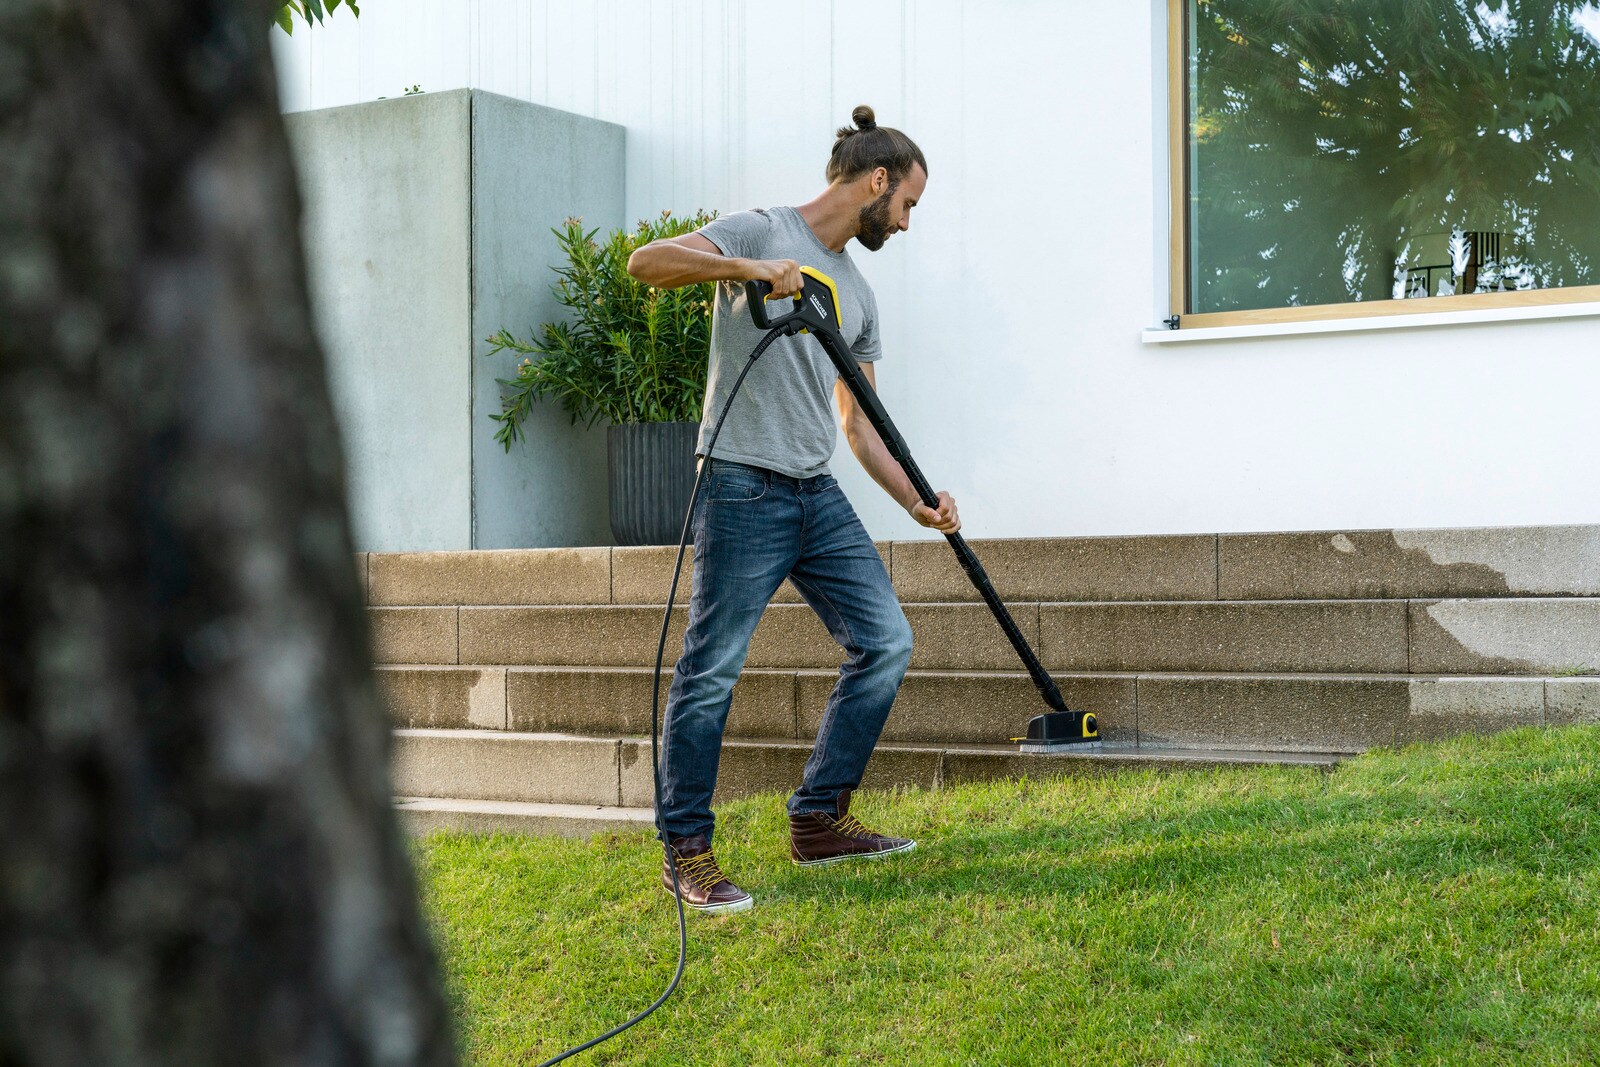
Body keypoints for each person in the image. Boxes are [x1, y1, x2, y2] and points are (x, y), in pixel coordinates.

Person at [626, 104, 958, 916]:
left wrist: (918, 501)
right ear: (877, 182)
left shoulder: (859, 293)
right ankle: (687, 852)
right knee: (712, 671)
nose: (907, 223)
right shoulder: (759, 228)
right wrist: (745, 271)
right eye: (908, 204)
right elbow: (646, 263)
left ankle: (817, 818)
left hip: (815, 491)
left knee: (885, 640)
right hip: (740, 481)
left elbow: (859, 423)